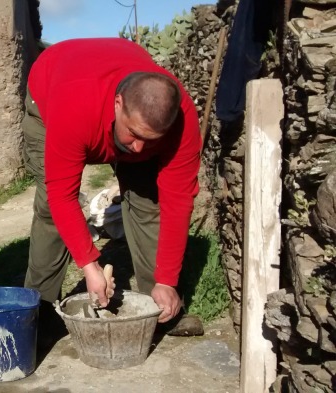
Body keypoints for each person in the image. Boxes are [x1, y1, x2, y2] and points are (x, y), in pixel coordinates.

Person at [22, 38, 203, 340]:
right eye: (133, 134)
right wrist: (90, 265)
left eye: (152, 139)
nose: (140, 147)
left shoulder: (179, 119)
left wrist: (168, 279)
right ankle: (36, 311)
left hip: (102, 99)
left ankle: (157, 302)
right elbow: (62, 196)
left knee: (147, 202)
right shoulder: (74, 107)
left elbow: (178, 200)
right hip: (52, 93)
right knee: (50, 212)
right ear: (118, 104)